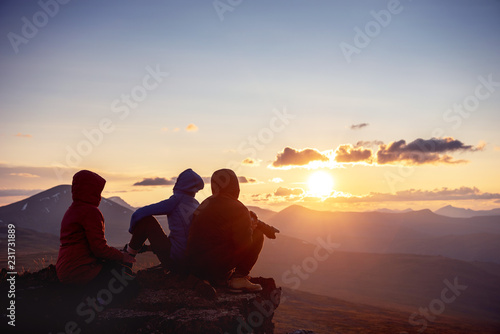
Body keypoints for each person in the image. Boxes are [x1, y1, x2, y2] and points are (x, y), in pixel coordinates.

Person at [186, 168, 279, 292]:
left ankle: (215, 277)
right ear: (235, 187)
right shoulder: (238, 209)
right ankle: (239, 278)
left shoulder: (205, 204)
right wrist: (251, 229)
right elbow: (244, 243)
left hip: (194, 267)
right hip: (214, 267)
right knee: (258, 235)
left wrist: (267, 228)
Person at [56, 170, 136, 285]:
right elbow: (99, 249)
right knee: (131, 285)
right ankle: (93, 299)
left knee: (121, 271)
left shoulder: (72, 210)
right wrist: (122, 256)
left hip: (66, 270)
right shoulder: (90, 212)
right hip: (81, 271)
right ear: (92, 190)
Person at [123, 168, 204, 273]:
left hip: (175, 260)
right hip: (190, 261)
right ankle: (141, 250)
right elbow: (182, 239)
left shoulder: (176, 201)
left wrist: (133, 232)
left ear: (179, 184)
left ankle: (128, 258)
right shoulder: (196, 204)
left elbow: (139, 213)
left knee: (147, 221)